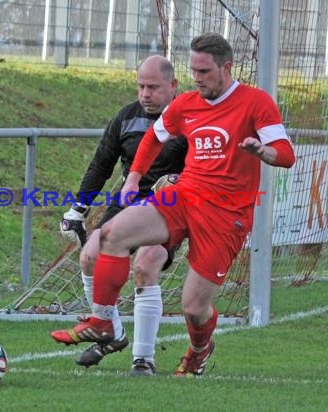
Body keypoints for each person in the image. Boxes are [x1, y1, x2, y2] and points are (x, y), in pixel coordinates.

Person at [51, 32, 296, 377]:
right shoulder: (186, 105)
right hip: (183, 196)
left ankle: (199, 350)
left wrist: (263, 151)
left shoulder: (255, 102)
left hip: (226, 215)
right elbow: (154, 137)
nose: (197, 78)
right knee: (110, 235)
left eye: (204, 71)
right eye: (193, 70)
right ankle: (104, 323)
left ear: (226, 67)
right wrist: (135, 177)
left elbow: (286, 155)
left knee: (194, 308)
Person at [56, 55, 188, 376]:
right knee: (89, 257)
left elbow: (208, 167)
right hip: (128, 202)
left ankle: (143, 359)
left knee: (146, 264)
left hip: (169, 208)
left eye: (153, 87)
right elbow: (101, 164)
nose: (145, 94)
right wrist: (78, 210)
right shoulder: (126, 118)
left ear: (173, 87)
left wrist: (178, 182)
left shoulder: (189, 121)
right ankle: (111, 331)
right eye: (141, 86)